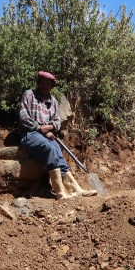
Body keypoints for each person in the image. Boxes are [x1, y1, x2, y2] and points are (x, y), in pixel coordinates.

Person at [18, 71, 97, 199]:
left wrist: (49, 128)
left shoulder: (53, 101)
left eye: (48, 84)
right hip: (30, 133)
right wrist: (39, 128)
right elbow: (23, 116)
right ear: (38, 83)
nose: (45, 86)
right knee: (50, 149)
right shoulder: (29, 94)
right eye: (43, 83)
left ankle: (76, 189)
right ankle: (60, 193)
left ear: (51, 87)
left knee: (58, 153)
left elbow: (57, 121)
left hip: (46, 133)